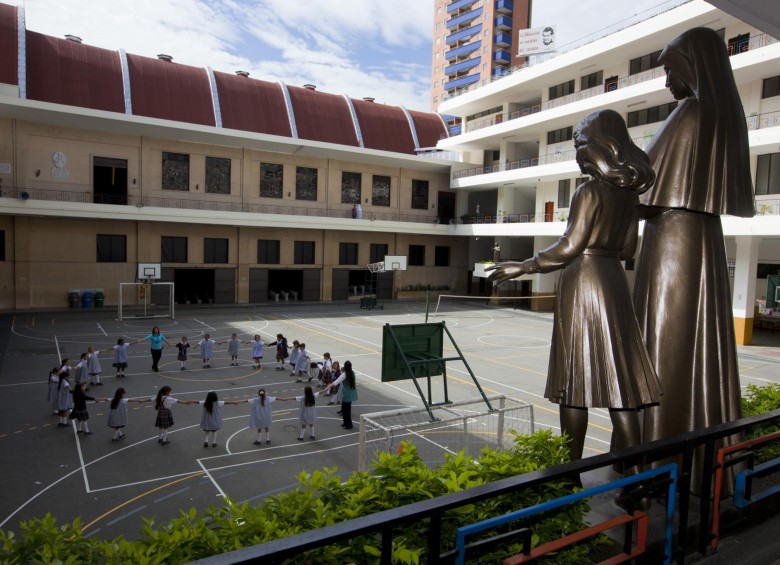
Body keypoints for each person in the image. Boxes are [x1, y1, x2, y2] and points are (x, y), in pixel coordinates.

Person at [487, 109, 661, 480]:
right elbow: (628, 250)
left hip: (584, 281)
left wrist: (524, 266)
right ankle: (637, 476)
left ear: (600, 146)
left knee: (573, 384)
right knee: (621, 385)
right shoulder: (628, 197)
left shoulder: (590, 191)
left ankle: (569, 474)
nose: (578, 153)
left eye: (581, 144)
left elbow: (569, 247)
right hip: (613, 281)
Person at [632, 27, 754, 492]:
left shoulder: (689, 113)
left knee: (665, 340)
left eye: (669, 68)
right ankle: (700, 465)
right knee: (697, 340)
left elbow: (641, 186)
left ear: (690, 66)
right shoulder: (724, 117)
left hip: (671, 241)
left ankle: (656, 460)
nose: (666, 80)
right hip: (701, 238)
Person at [324, 359, 358, 429]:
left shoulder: (344, 374)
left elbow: (336, 382)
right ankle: (346, 423)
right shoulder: (352, 373)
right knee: (347, 409)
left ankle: (348, 425)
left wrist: (328, 387)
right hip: (351, 393)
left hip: (346, 394)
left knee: (346, 411)